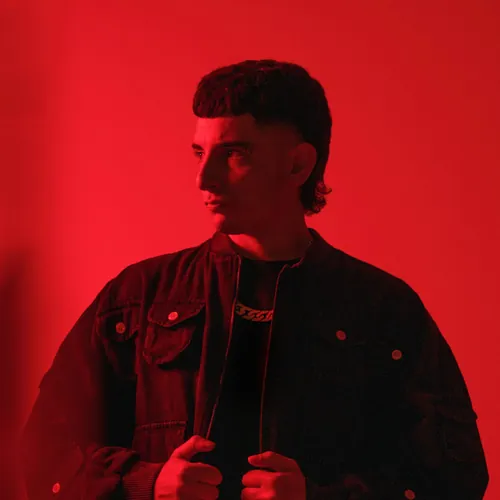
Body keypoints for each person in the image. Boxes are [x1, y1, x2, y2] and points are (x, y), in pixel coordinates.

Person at [21, 59, 488, 500]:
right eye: (199, 152)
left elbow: (454, 474)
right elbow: (44, 449)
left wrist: (319, 497)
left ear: (298, 165)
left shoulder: (383, 308)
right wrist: (147, 483)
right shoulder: (138, 296)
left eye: (234, 154)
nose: (204, 178)